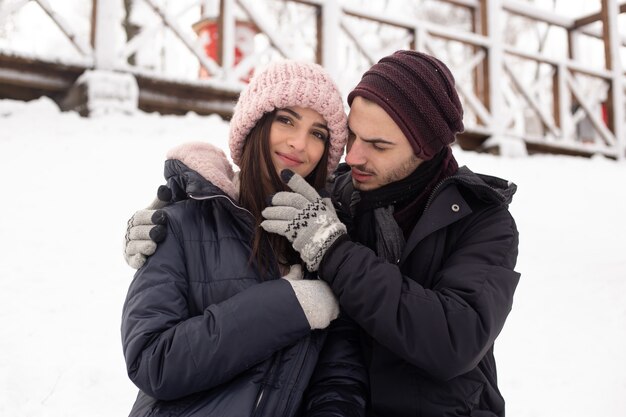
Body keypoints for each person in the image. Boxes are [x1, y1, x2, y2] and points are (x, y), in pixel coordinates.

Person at [126, 50, 521, 417]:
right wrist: (180, 201)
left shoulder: (482, 221)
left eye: (378, 145)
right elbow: (154, 356)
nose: (356, 157)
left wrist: (333, 251)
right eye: (351, 137)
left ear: (426, 149)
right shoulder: (336, 201)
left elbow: (453, 340)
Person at [120, 60, 367, 417]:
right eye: (286, 120)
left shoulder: (326, 242)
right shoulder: (180, 222)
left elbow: (339, 374)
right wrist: (289, 306)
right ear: (255, 124)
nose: (300, 144)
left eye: (318, 133)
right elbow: (152, 362)